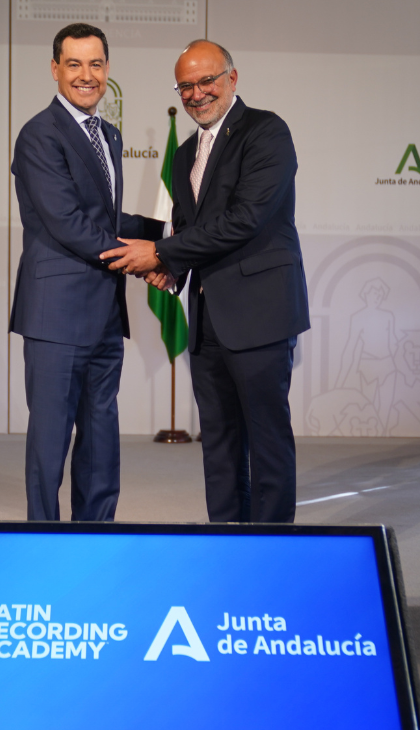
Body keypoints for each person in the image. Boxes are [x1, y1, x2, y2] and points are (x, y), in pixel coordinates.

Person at [101, 40, 309, 523]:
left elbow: (245, 219)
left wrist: (161, 252)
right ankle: (227, 544)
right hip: (207, 319)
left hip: (260, 315)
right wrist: (169, 264)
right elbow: (193, 230)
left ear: (232, 79)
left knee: (267, 440)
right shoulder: (186, 153)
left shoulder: (266, 132)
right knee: (218, 445)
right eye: (186, 86)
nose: (196, 94)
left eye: (206, 81)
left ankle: (272, 550)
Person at [10, 23, 165, 521]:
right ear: (55, 69)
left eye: (95, 64)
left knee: (101, 434)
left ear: (107, 69)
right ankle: (43, 540)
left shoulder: (108, 134)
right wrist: (146, 259)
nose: (85, 75)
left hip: (103, 313)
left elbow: (105, 218)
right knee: (50, 437)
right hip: (56, 316)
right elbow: (69, 224)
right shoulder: (39, 134)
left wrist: (167, 233)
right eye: (73, 64)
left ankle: (96, 534)